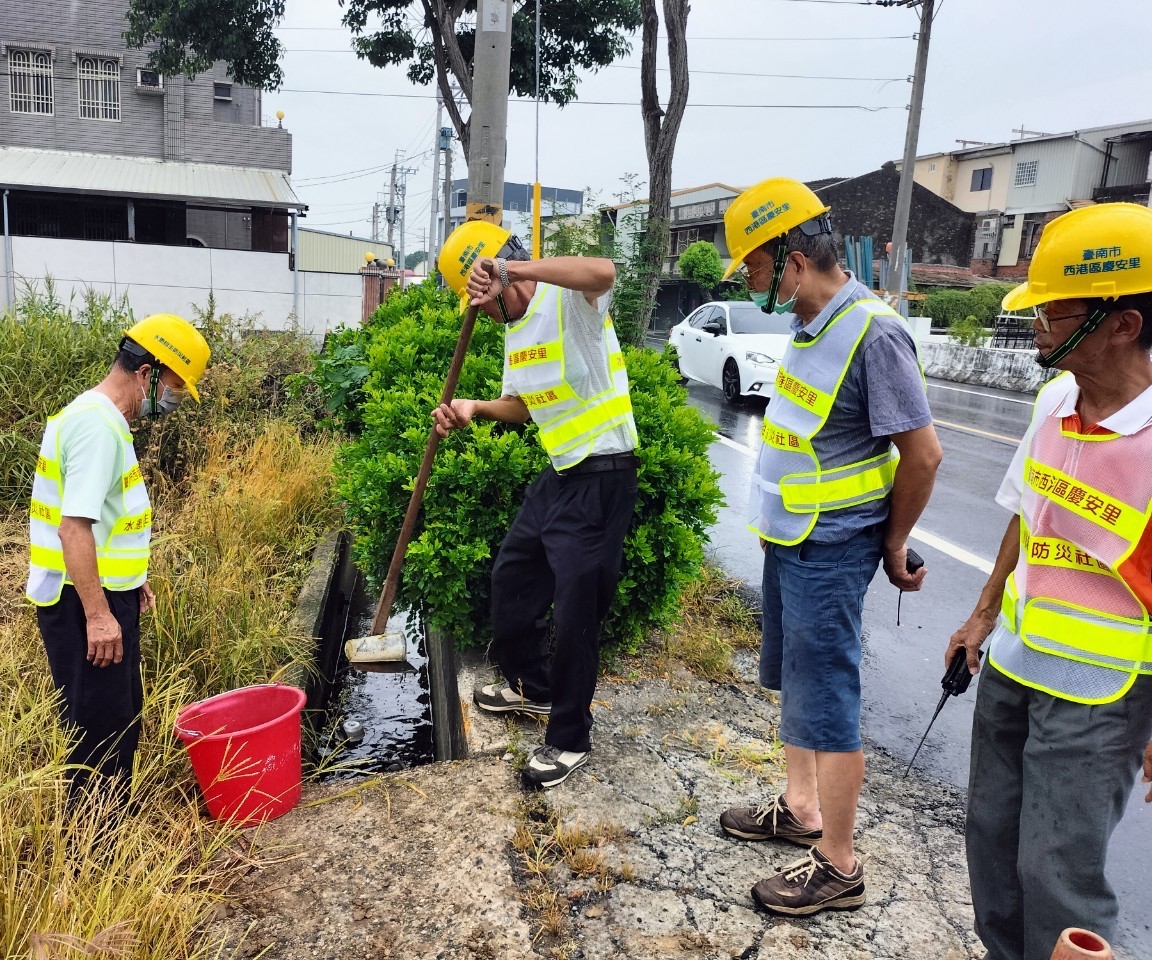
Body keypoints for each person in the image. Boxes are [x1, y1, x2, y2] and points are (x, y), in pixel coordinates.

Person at [715, 178, 942, 915]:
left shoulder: (874, 333)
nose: (750, 280)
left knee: (829, 695)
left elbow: (924, 453)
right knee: (798, 686)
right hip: (792, 538)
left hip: (837, 545)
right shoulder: (811, 325)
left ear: (791, 260)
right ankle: (800, 808)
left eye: (753, 265)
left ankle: (838, 864)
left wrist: (894, 541)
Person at [946, 203, 1152, 960]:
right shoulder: (1054, 400)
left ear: (1123, 322)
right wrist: (980, 613)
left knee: (1059, 879)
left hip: (1100, 697)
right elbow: (1027, 514)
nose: (1035, 321)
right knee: (992, 854)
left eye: (1054, 307)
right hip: (1012, 668)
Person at [433, 221, 639, 790]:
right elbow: (522, 405)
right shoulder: (514, 329)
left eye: (482, 297)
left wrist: (515, 267)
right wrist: (475, 406)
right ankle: (535, 687)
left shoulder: (568, 299)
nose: (486, 312)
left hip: (604, 471)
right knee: (513, 575)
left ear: (498, 277)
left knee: (576, 612)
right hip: (561, 472)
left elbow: (604, 270)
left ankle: (570, 739)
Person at [27, 313, 210, 800]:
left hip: (103, 593)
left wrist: (131, 579)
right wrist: (100, 615)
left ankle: (108, 840)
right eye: (173, 386)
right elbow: (73, 528)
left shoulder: (97, 418)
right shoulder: (98, 429)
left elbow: (102, 521)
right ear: (147, 373)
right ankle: (98, 855)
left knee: (119, 720)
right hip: (83, 606)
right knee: (100, 740)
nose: (173, 401)